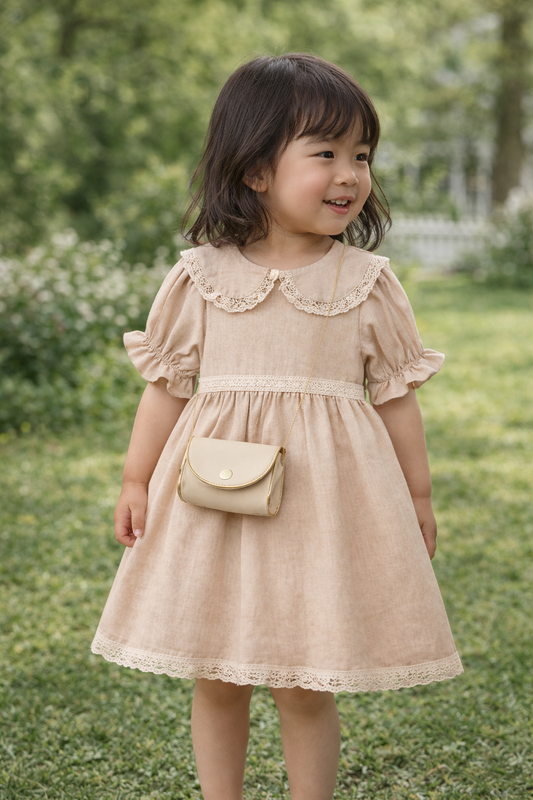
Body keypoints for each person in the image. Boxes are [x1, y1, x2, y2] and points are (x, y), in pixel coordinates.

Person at [92, 53, 463, 800]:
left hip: (321, 510)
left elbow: (396, 399)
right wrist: (135, 479)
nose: (349, 174)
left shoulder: (365, 282)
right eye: (325, 153)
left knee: (304, 680)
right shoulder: (201, 276)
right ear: (257, 169)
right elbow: (166, 388)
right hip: (215, 504)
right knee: (217, 674)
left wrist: (418, 497)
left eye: (361, 155)